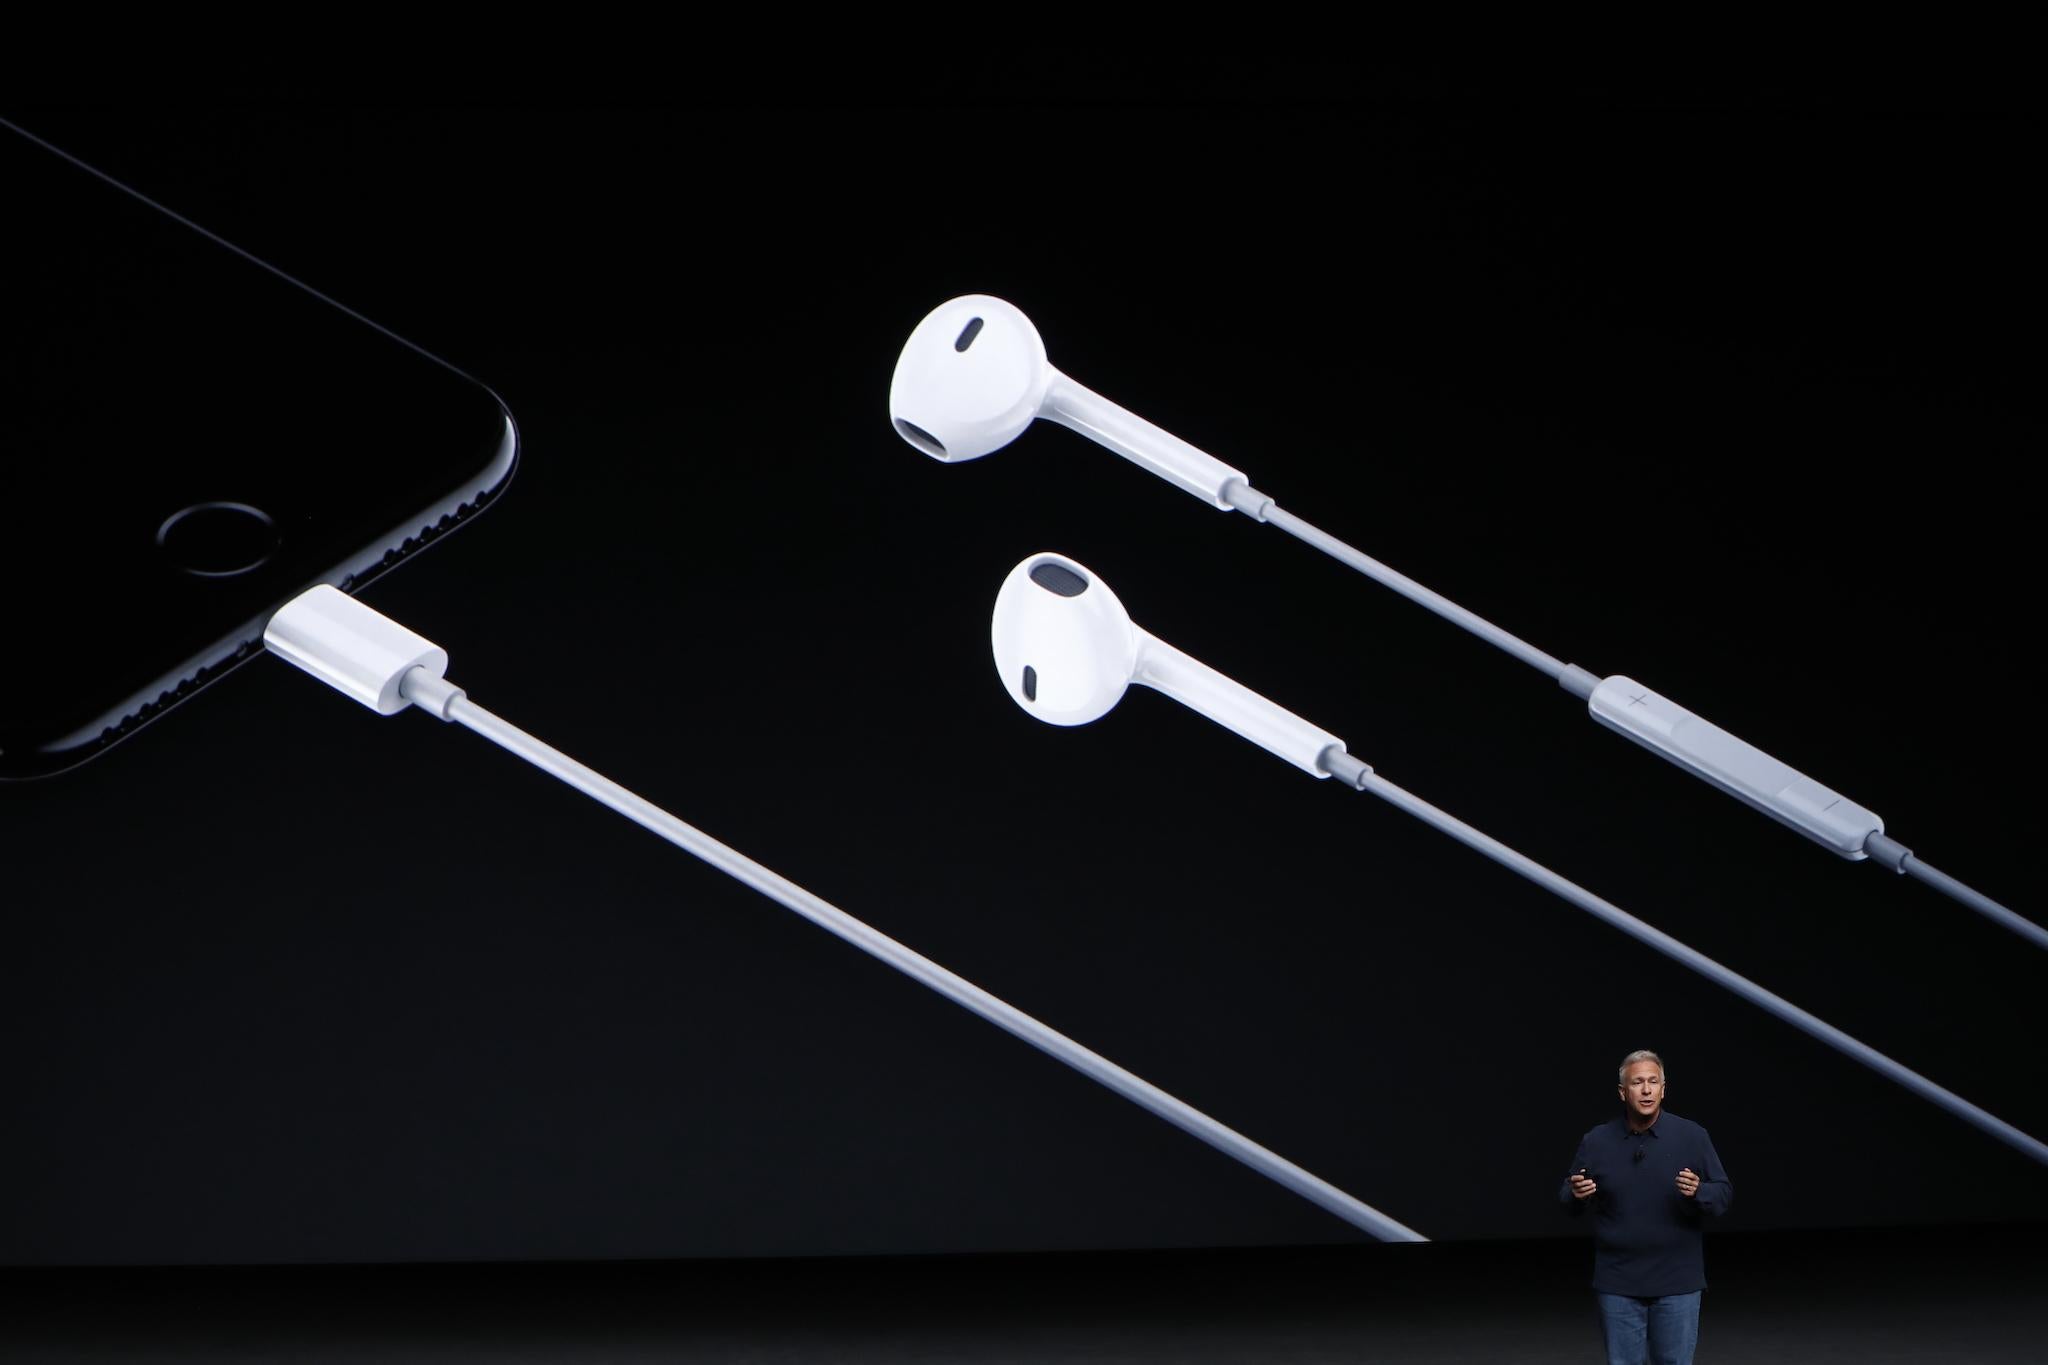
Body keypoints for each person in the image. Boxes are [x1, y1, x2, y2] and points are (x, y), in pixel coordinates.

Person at [1561, 1050, 1732, 1365]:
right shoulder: (1597, 1141)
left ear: (1664, 1089)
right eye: (1637, 1082)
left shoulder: (1692, 1136)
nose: (1646, 1089)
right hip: (1618, 1282)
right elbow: (1568, 1198)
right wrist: (1577, 1194)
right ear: (1622, 1092)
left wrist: (1699, 1191)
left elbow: (1722, 1195)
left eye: (1653, 1081)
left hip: (1677, 1282)